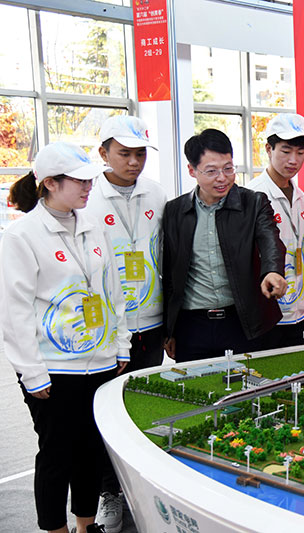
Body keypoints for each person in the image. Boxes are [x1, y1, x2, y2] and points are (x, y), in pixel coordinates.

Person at [1, 142, 131, 533]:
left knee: (90, 450)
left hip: (100, 361)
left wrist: (120, 343)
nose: (89, 187)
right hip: (53, 369)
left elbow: (113, 291)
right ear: (50, 183)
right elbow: (14, 312)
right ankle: (55, 529)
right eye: (79, 180)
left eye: (90, 179)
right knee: (57, 453)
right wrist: (32, 373)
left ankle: (85, 525)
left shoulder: (93, 226)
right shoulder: (22, 236)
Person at [83, 115, 166, 533]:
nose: (134, 162)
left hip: (150, 321)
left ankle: (141, 486)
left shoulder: (157, 193)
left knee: (144, 407)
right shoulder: (88, 198)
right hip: (107, 329)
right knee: (106, 414)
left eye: (140, 154)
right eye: (124, 153)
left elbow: (167, 255)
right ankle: (108, 492)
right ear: (103, 153)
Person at [162, 128, 288, 362]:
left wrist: (273, 271)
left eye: (228, 168)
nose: (222, 178)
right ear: (192, 170)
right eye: (211, 171)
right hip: (192, 327)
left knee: (249, 382)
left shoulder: (253, 202)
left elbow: (271, 240)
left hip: (243, 322)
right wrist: (169, 330)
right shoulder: (174, 211)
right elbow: (170, 274)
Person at [247, 113, 304, 347]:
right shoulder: (252, 195)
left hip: (301, 311)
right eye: (286, 151)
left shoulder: (301, 197)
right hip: (269, 316)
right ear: (268, 149)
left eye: (300, 152)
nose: (293, 160)